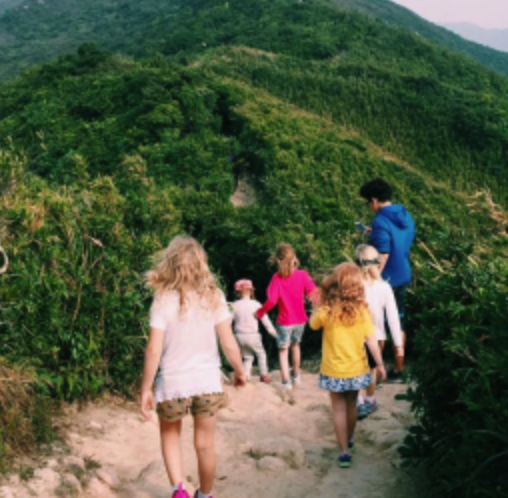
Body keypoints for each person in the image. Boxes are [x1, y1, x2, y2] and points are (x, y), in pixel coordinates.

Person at [140, 236, 246, 498]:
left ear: (170, 264)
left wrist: (145, 388)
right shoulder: (215, 297)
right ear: (202, 264)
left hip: (172, 382)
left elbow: (153, 349)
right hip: (208, 381)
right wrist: (240, 370)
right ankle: (206, 494)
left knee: (170, 435)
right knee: (205, 445)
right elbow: (228, 342)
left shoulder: (162, 299)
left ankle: (179, 489)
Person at [309, 263, 386, 468]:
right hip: (356, 369)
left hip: (333, 370)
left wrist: (320, 303)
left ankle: (343, 452)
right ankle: (350, 441)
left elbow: (312, 324)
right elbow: (371, 341)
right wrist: (380, 365)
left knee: (338, 410)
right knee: (352, 405)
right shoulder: (362, 311)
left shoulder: (327, 310)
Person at [359, 178, 415, 383]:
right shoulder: (405, 215)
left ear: (374, 200)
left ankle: (376, 369)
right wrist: (375, 233)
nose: (369, 206)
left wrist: (369, 279)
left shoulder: (380, 221)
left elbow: (383, 255)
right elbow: (401, 239)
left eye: (368, 202)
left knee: (377, 324)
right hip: (403, 274)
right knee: (398, 320)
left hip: (385, 279)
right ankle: (399, 369)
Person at [255, 243, 317, 390]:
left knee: (283, 351)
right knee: (296, 346)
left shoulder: (276, 278)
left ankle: (286, 382)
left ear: (277, 260)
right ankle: (296, 376)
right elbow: (314, 294)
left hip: (284, 321)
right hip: (300, 320)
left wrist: (261, 312)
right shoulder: (302, 275)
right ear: (294, 258)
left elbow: (271, 301)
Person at [355, 244, 404, 418]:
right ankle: (369, 399)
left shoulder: (353, 285)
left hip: (354, 336)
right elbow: (393, 318)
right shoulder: (384, 287)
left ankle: (358, 401)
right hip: (377, 336)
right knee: (371, 370)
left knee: (356, 370)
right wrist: (398, 344)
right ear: (377, 263)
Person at [231, 279, 277, 383]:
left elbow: (228, 321)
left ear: (238, 292)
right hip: (253, 335)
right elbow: (266, 321)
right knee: (261, 354)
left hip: (239, 335)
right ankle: (264, 374)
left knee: (247, 357)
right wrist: (274, 333)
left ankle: (246, 376)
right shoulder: (256, 304)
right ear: (251, 291)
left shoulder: (234, 305)